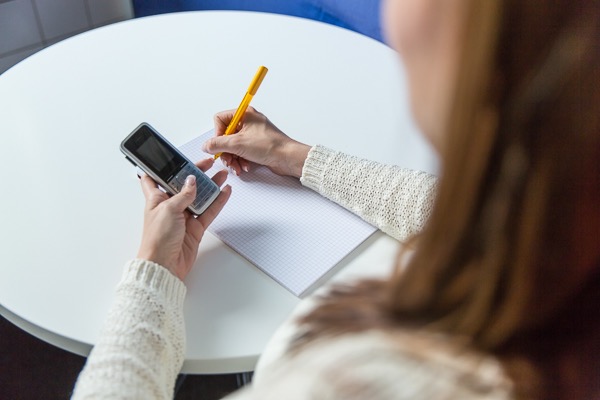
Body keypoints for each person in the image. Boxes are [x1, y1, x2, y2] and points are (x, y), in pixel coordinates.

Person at [72, 0, 600, 399]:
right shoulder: (564, 228)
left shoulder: (357, 382)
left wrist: (153, 272)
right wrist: (293, 155)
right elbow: (470, 217)